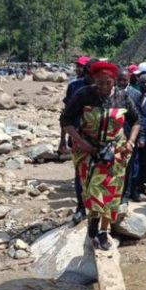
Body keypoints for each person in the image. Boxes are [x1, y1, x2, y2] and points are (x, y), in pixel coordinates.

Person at [60, 61, 140, 250]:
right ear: (94, 80)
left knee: (112, 193)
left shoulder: (123, 97)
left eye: (108, 83)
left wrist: (131, 142)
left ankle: (104, 231)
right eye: (100, 83)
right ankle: (93, 221)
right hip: (89, 151)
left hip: (116, 151)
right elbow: (66, 119)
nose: (104, 87)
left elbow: (136, 120)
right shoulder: (84, 95)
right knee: (92, 190)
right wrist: (80, 141)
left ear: (114, 81)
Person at [60, 56, 92, 223]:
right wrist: (63, 139)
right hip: (78, 137)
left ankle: (96, 207)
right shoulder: (75, 87)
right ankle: (81, 207)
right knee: (80, 173)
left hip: (99, 140)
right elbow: (66, 116)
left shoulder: (106, 88)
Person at [117, 69, 142, 204]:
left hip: (131, 134)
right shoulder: (111, 93)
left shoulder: (136, 94)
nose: (122, 82)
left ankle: (127, 193)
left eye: (124, 80)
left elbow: (139, 117)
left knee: (131, 165)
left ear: (129, 80)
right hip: (114, 135)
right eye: (119, 79)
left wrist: (139, 137)